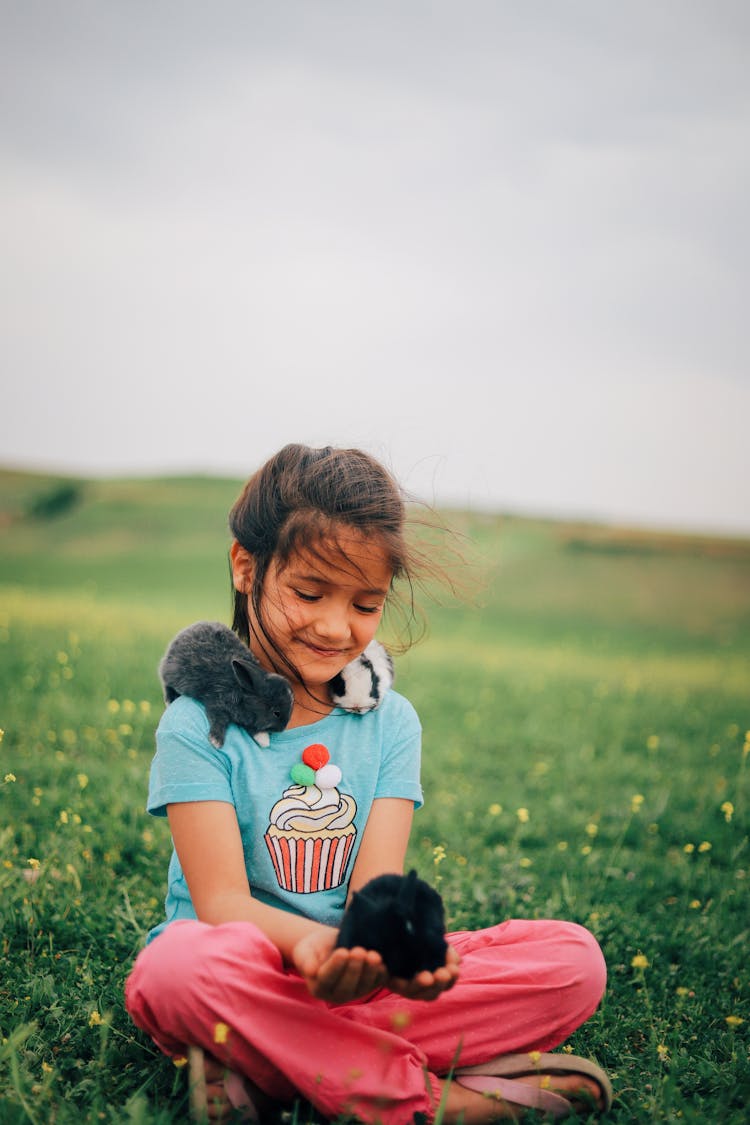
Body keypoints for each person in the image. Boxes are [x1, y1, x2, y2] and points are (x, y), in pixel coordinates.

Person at [125, 443, 611, 1123]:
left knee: (574, 960)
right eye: (308, 591)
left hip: (352, 986)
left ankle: (271, 1070)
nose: (334, 626)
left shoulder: (393, 723)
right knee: (173, 970)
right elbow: (221, 901)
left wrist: (398, 957)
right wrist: (306, 945)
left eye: (365, 603)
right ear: (246, 565)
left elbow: (371, 896)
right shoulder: (195, 724)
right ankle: (434, 1099)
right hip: (240, 971)